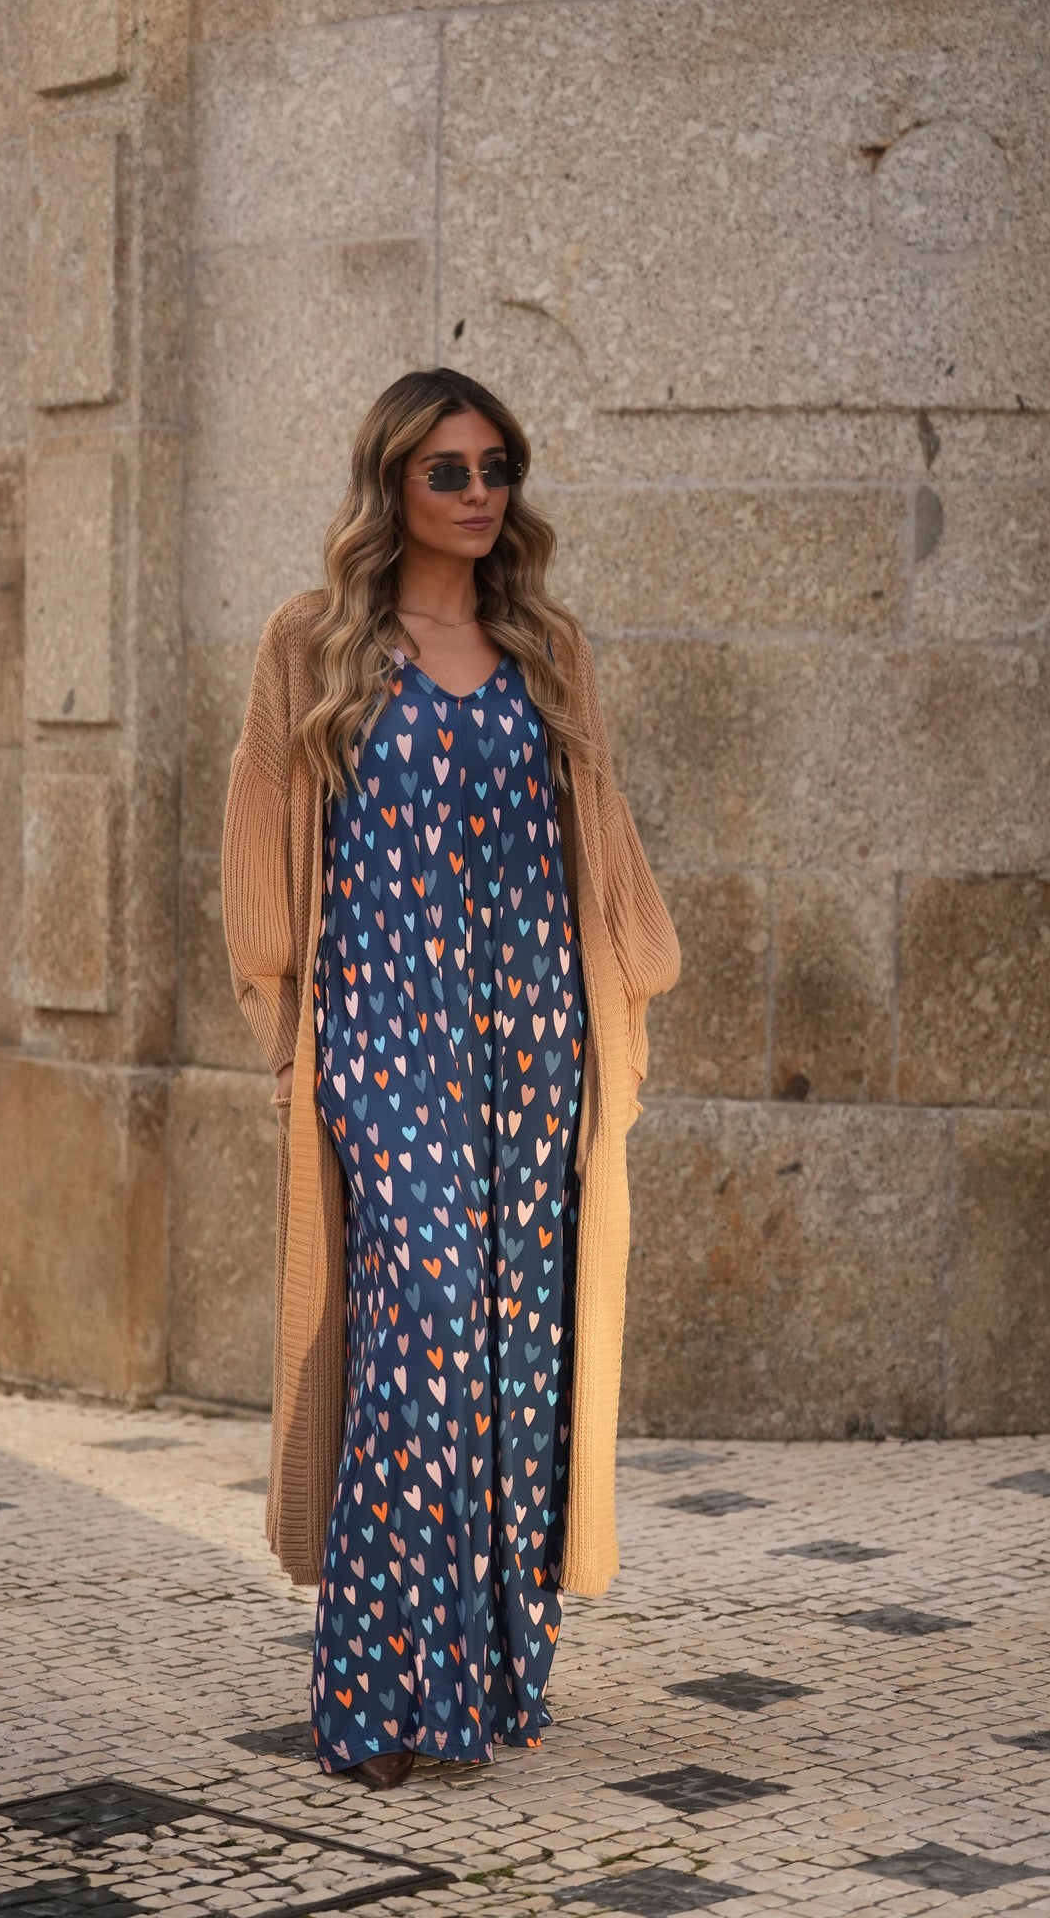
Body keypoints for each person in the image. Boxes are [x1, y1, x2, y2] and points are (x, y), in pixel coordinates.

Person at [221, 367, 681, 1792]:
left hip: (536, 1047)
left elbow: (599, 836)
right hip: (384, 1043)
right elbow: (259, 844)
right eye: (448, 472)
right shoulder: (313, 643)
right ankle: (375, 1696)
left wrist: (626, 1000)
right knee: (420, 1338)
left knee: (511, 1357)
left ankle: (478, 1683)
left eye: (496, 469)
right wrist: (286, 1034)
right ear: (391, 485)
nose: (480, 494)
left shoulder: (547, 646)